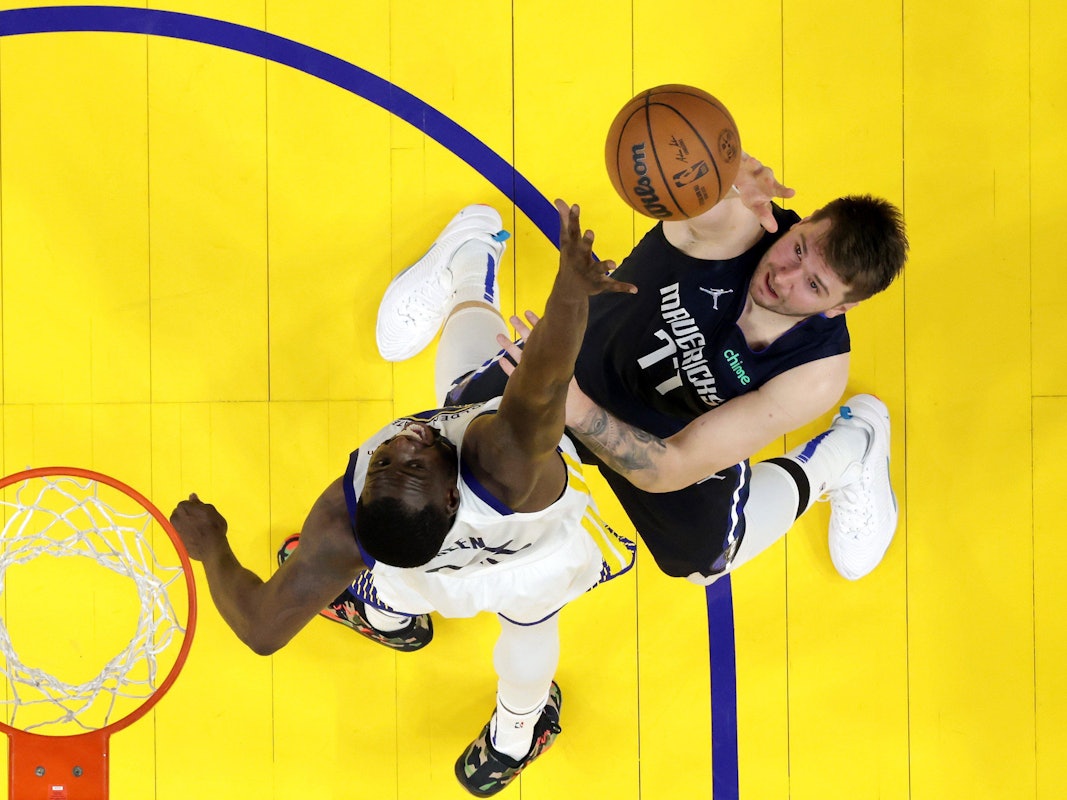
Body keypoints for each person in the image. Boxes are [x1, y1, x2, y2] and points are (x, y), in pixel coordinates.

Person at [170, 201, 637, 798]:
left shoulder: (346, 530)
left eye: (386, 463)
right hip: (536, 562)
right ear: (448, 493)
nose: (400, 442)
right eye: (406, 463)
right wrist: (572, 292)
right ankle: (515, 739)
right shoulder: (502, 463)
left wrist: (214, 553)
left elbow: (262, 628)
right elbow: (542, 376)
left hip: (438, 567)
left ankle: (388, 617)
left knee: (393, 575)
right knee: (529, 629)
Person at [376, 152, 908, 584]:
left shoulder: (814, 374)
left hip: (670, 432)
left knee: (701, 561)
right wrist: (716, 169)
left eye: (814, 285)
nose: (785, 275)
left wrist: (578, 410)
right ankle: (469, 259)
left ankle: (845, 455)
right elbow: (659, 161)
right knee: (463, 421)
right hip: (589, 362)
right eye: (798, 248)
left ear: (840, 307)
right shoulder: (735, 223)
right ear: (804, 221)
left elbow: (674, 466)